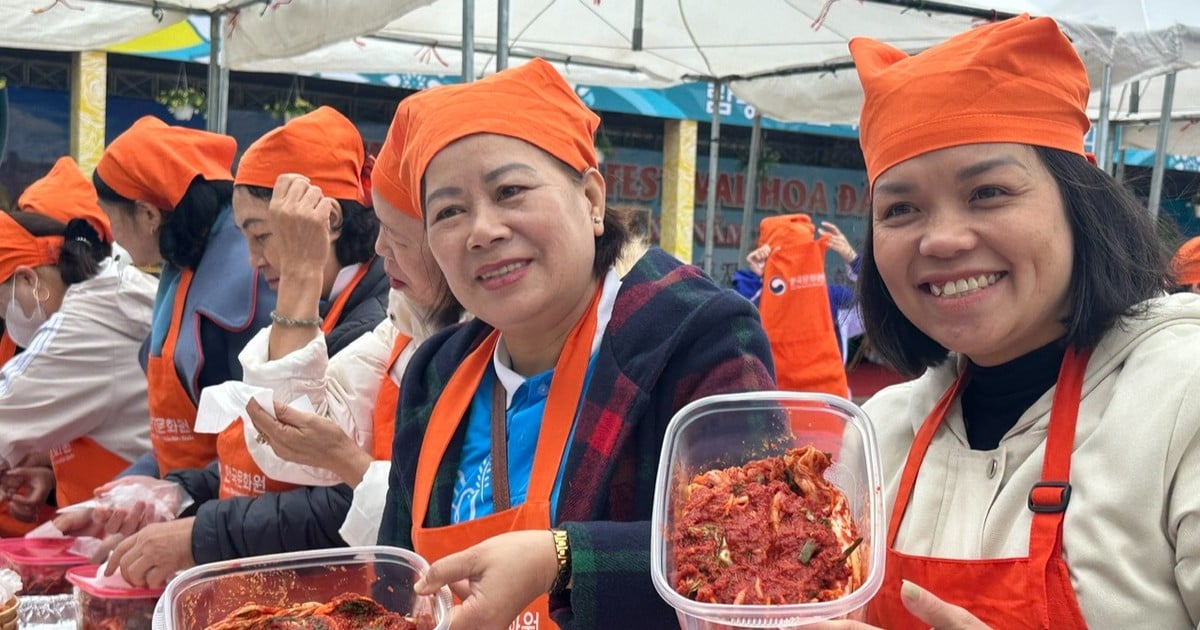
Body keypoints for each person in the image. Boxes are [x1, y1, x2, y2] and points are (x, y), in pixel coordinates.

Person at [826, 15, 1199, 628]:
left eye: (989, 192)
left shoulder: (1183, 398)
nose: (941, 239)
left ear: (1080, 202)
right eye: (901, 208)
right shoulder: (877, 432)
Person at [376, 58, 776, 629]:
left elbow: (763, 543)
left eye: (510, 190)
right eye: (448, 212)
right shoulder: (435, 373)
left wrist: (564, 560)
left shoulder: (696, 338)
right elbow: (394, 583)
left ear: (591, 199)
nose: (482, 230)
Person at [77, 107, 394, 585]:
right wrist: (179, 491)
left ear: (326, 221)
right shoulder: (330, 311)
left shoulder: (372, 327)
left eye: (263, 235)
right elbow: (259, 451)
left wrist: (199, 535)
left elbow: (340, 497)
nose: (252, 260)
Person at [91, 116, 275, 478]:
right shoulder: (182, 263)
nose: (114, 236)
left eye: (110, 217)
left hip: (230, 507)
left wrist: (176, 492)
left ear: (147, 215)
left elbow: (264, 440)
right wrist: (130, 487)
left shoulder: (251, 279)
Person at [0, 207, 156, 510]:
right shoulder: (110, 293)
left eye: (2, 304)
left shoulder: (82, 323)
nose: (5, 318)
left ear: (28, 280)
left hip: (138, 521)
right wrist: (51, 474)